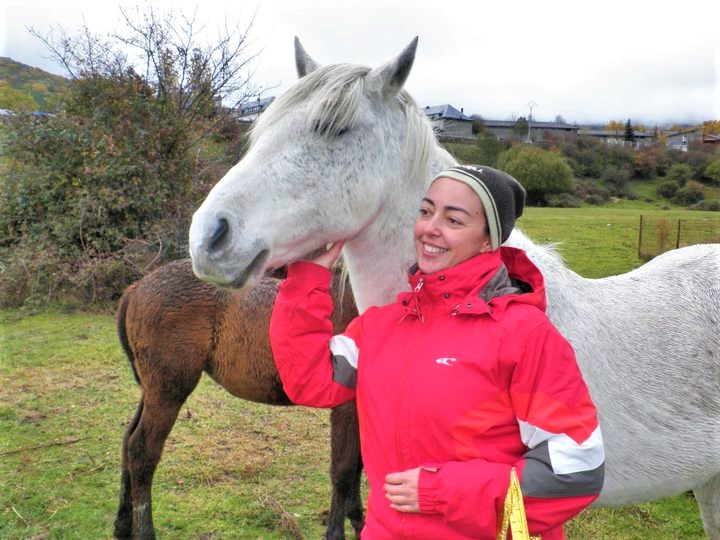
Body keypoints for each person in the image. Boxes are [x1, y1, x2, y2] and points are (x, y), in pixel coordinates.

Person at [270, 165, 604, 539]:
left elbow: (576, 470)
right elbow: (311, 381)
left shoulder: (524, 335)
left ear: (488, 241)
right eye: (426, 211)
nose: (430, 227)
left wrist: (441, 492)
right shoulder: (382, 326)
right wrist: (306, 281)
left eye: (454, 220)